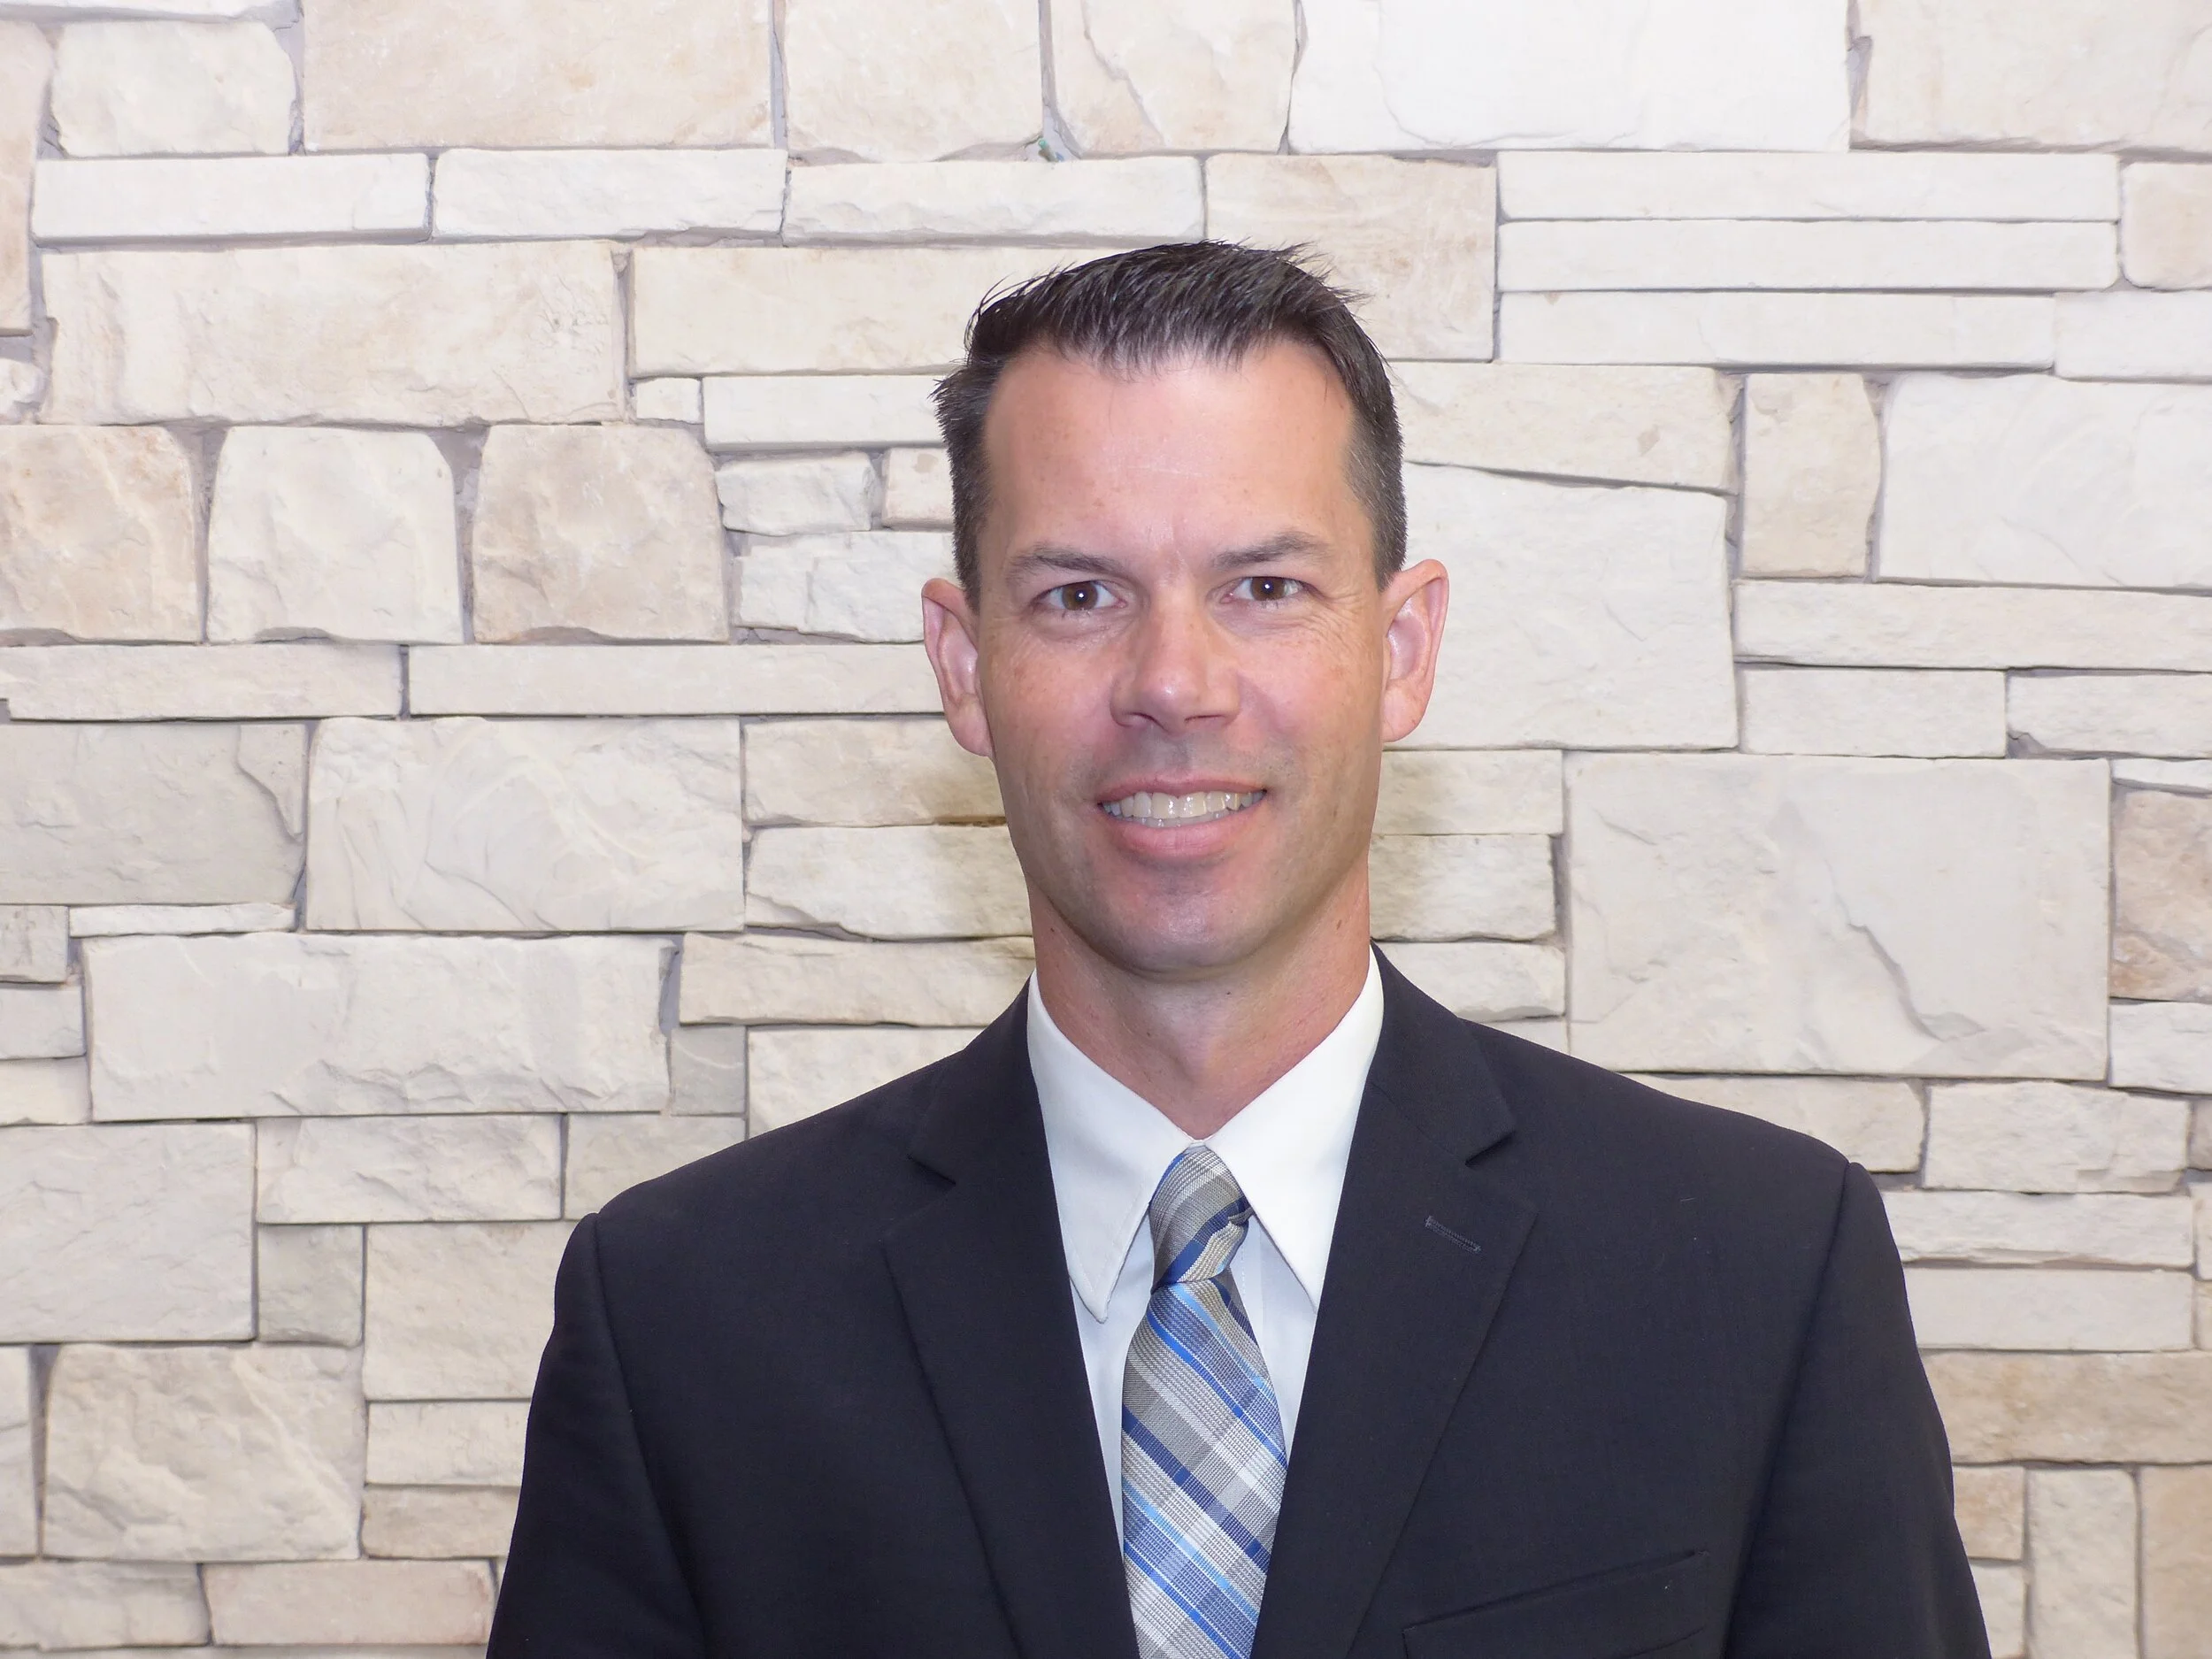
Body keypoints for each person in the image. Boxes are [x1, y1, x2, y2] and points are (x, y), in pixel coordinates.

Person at [488, 242, 1988, 1659]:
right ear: (963, 665)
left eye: (1263, 588)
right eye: (1079, 596)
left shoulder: (1757, 1272)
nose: (1174, 683)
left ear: (1400, 651)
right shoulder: (684, 1319)